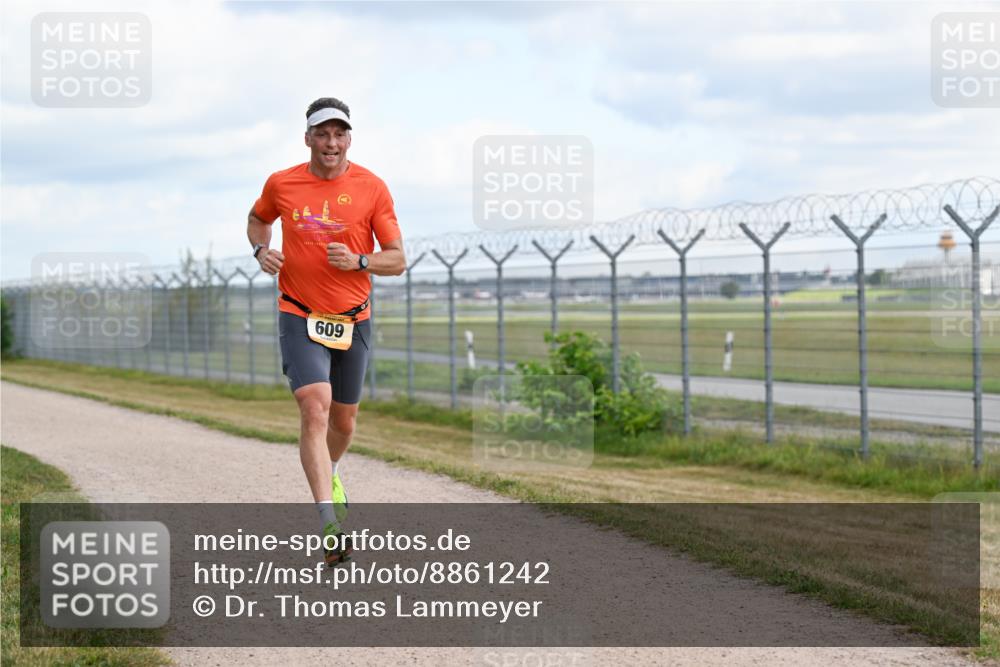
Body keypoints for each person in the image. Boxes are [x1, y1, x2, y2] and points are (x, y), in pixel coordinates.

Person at [247, 97, 405, 566]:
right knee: (314, 408)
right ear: (308, 138)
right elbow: (258, 219)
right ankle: (329, 523)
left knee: (343, 421)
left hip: (352, 317)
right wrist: (261, 252)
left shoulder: (372, 188)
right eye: (322, 133)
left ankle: (331, 470)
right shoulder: (283, 183)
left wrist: (360, 260)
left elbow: (396, 259)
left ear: (349, 138)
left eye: (339, 133)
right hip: (299, 311)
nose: (330, 142)